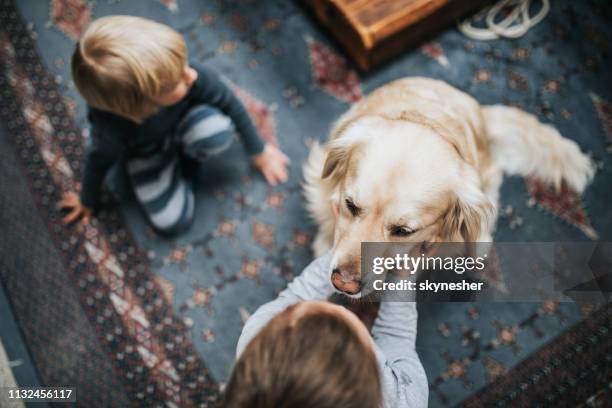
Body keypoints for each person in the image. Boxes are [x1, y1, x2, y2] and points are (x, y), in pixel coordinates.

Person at [59, 15, 289, 234]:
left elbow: (229, 101)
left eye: (184, 64)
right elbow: (97, 161)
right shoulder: (111, 130)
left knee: (218, 132)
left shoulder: (186, 73)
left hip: (187, 118)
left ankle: (185, 158)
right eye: (178, 79)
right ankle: (180, 167)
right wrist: (87, 200)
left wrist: (260, 151)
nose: (191, 75)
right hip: (147, 150)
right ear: (143, 104)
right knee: (171, 222)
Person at [224, 253, 429, 408]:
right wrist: (403, 275)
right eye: (348, 318)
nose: (340, 304)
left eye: (296, 309)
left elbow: (300, 291)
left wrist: (344, 252)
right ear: (375, 372)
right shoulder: (406, 397)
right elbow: (396, 335)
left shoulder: (258, 334)